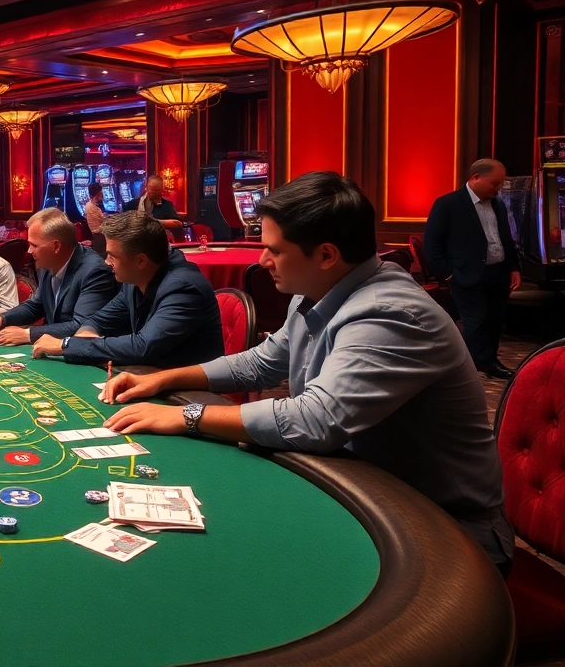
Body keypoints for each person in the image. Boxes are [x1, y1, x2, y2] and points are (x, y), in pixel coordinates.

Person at [98, 172, 513, 573]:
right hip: (360, 491)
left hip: (445, 529)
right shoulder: (319, 291)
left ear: (327, 255)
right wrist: (162, 379)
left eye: (275, 251)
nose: (262, 261)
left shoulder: (389, 314)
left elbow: (317, 419)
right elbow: (260, 362)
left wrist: (187, 416)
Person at [31, 212, 223, 367]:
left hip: (187, 394)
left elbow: (142, 346)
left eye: (112, 256)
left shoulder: (183, 287)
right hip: (149, 376)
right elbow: (99, 320)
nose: (107, 262)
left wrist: (66, 344)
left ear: (140, 260)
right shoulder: (134, 280)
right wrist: (86, 333)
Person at [424, 159, 522, 380]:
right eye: (494, 183)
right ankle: (477, 365)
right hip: (465, 274)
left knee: (495, 320)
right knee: (475, 321)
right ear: (475, 177)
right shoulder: (448, 203)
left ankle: (488, 361)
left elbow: (505, 239)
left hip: (498, 272)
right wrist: (448, 274)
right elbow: (432, 243)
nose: (498, 189)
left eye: (501, 184)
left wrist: (514, 268)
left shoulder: (498, 204)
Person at [0, 208, 116, 346]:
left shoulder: (94, 272)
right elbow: (35, 306)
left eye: (34, 245)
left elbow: (83, 326)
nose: (29, 251)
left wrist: (28, 334)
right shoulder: (47, 263)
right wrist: (1, 320)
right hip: (49, 349)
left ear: (55, 247)